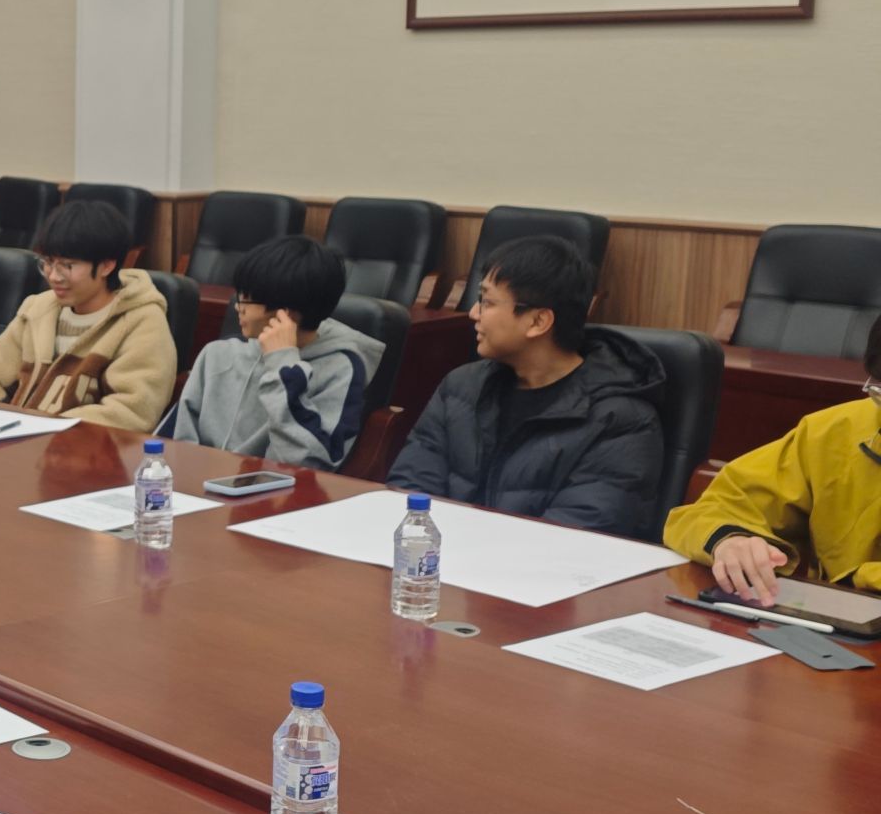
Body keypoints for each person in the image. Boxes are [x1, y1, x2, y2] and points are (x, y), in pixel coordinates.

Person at [386, 236, 663, 535]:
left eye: (487, 302)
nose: (474, 313)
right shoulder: (461, 387)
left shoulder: (620, 420)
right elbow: (411, 490)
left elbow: (576, 534)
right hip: (439, 556)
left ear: (538, 322)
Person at [664, 314, 881, 604]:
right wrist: (732, 541)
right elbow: (712, 510)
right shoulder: (838, 431)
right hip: (837, 620)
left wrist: (860, 578)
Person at [0, 200, 176, 431]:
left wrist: (46, 429)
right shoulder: (37, 308)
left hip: (79, 445)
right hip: (17, 439)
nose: (54, 276)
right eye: (48, 262)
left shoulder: (142, 321)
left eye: (68, 266)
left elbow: (131, 411)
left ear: (107, 266)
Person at [169, 234, 384, 466]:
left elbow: (306, 463)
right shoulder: (217, 353)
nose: (237, 306)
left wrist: (283, 365)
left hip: (273, 485)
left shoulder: (341, 369)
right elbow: (177, 441)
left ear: (285, 312)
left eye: (247, 299)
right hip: (194, 480)